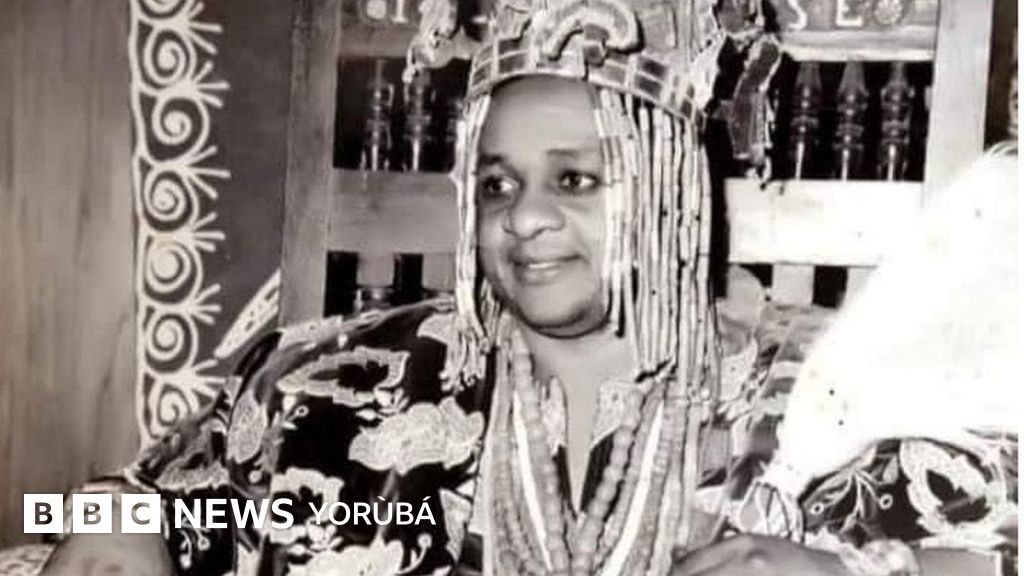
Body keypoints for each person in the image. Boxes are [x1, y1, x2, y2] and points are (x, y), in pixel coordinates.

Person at [42, 0, 1017, 574]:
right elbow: (135, 500)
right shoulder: (323, 381)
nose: (525, 218)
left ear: (674, 187)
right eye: (497, 183)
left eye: (577, 180)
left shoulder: (849, 402)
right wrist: (111, 521)